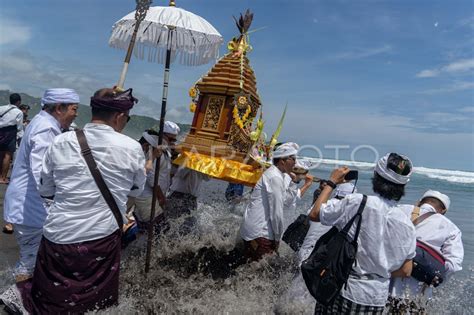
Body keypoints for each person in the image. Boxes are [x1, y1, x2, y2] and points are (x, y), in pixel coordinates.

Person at [21, 88, 146, 313]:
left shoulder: (60, 141)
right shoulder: (132, 148)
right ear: (119, 117)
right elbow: (136, 190)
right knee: (95, 305)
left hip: (58, 234)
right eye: (128, 117)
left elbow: (45, 188)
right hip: (101, 238)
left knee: (50, 299)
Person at [308, 153, 417, 314]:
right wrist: (379, 268)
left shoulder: (358, 202)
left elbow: (315, 213)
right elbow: (406, 270)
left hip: (344, 288)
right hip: (376, 300)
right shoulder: (407, 224)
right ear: (402, 187)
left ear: (376, 176)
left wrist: (331, 182)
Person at [3, 88, 79, 282]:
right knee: (31, 260)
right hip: (30, 206)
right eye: (74, 109)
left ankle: (16, 294)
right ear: (59, 108)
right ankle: (17, 299)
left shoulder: (41, 121)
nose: (76, 114)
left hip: (27, 203)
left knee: (33, 257)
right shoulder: (46, 128)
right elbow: (41, 172)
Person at [388, 190, 464, 313]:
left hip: (384, 288)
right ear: (443, 210)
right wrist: (430, 276)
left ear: (419, 202)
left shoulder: (398, 210)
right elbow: (453, 266)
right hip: (417, 295)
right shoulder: (451, 228)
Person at [239, 142, 298, 261]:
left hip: (253, 230)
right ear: (282, 161)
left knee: (249, 267)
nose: (295, 162)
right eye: (293, 159)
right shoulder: (275, 177)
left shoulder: (276, 175)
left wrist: (293, 183)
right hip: (261, 233)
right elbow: (276, 213)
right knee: (260, 273)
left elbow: (286, 201)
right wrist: (277, 238)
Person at [133, 122, 180, 227]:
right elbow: (150, 176)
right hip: (148, 197)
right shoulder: (153, 151)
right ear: (162, 135)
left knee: (150, 229)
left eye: (174, 140)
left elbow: (168, 173)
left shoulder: (166, 152)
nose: (172, 142)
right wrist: (161, 197)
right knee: (159, 229)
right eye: (170, 139)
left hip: (156, 196)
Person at [165, 167, 209, 233]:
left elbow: (207, 177)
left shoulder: (202, 162)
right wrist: (190, 164)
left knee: (189, 226)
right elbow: (179, 173)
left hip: (192, 198)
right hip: (178, 194)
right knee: (170, 222)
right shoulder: (184, 159)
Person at [0, 93, 23, 184]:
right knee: (7, 155)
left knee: (0, 154)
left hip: (0, 131)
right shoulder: (18, 112)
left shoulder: (1, 108)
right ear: (18, 102)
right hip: (10, 132)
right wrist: (20, 137)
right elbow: (19, 127)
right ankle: (3, 178)